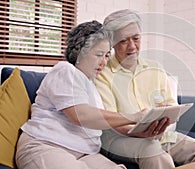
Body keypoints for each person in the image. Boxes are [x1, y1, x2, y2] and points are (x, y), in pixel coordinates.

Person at [94, 9, 195, 169]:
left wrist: (164, 121)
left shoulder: (155, 69)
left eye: (136, 38)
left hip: (161, 136)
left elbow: (171, 106)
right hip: (119, 140)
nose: (132, 46)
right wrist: (141, 132)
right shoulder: (102, 74)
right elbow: (111, 121)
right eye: (124, 41)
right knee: (152, 152)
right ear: (111, 43)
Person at [15, 20, 146, 169]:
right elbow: (80, 115)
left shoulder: (90, 85)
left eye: (107, 55)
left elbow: (104, 124)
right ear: (79, 51)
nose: (103, 62)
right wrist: (135, 117)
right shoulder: (65, 71)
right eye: (99, 54)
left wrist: (139, 129)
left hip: (85, 153)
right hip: (46, 145)